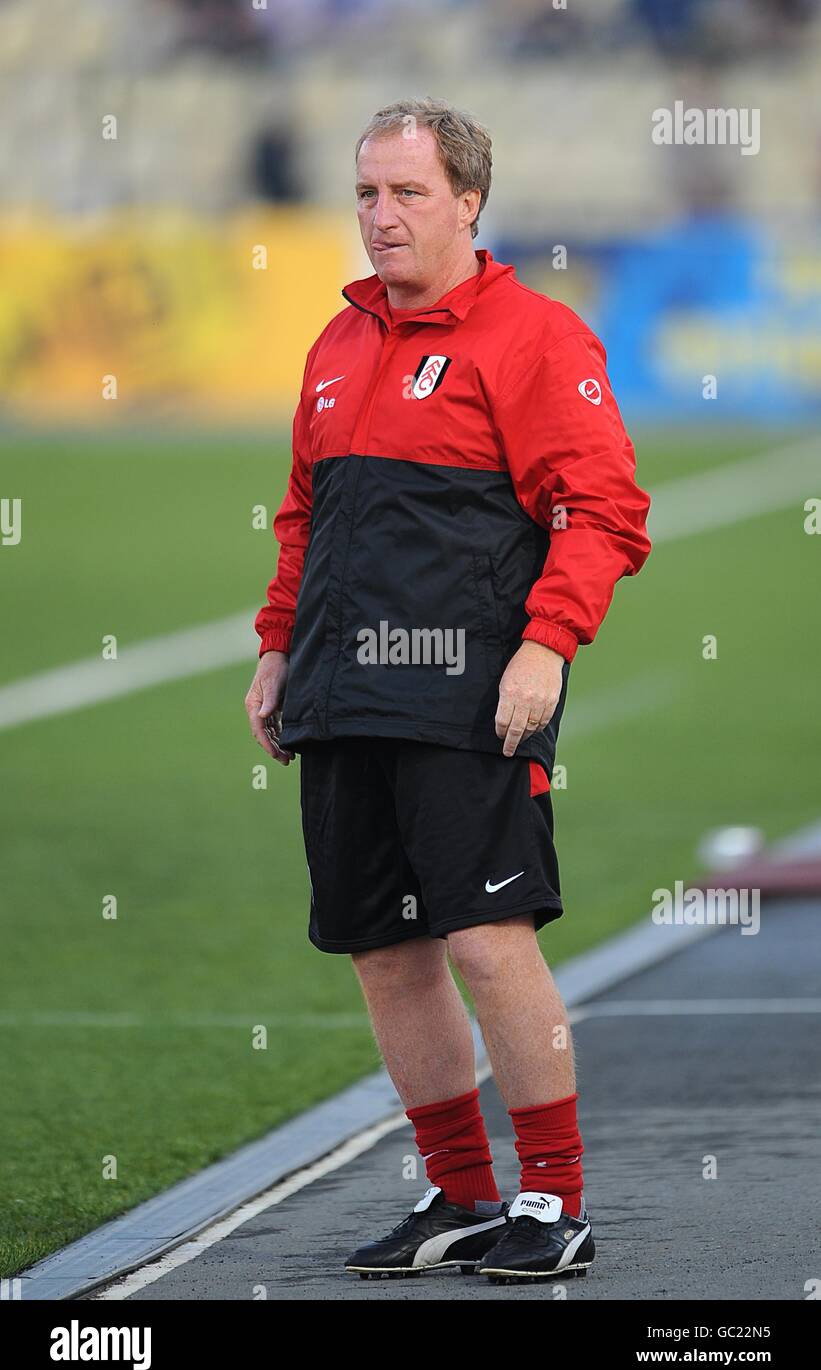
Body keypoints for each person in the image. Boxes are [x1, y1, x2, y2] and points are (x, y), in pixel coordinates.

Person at [245, 98, 651, 1282]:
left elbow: (603, 510)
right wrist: (278, 645)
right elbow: (304, 517)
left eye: (406, 193)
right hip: (339, 687)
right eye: (366, 193)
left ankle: (554, 1201)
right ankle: (460, 1195)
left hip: (471, 690)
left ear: (468, 203)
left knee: (483, 936)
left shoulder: (534, 337)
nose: (380, 216)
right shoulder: (336, 343)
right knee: (383, 948)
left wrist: (547, 644)